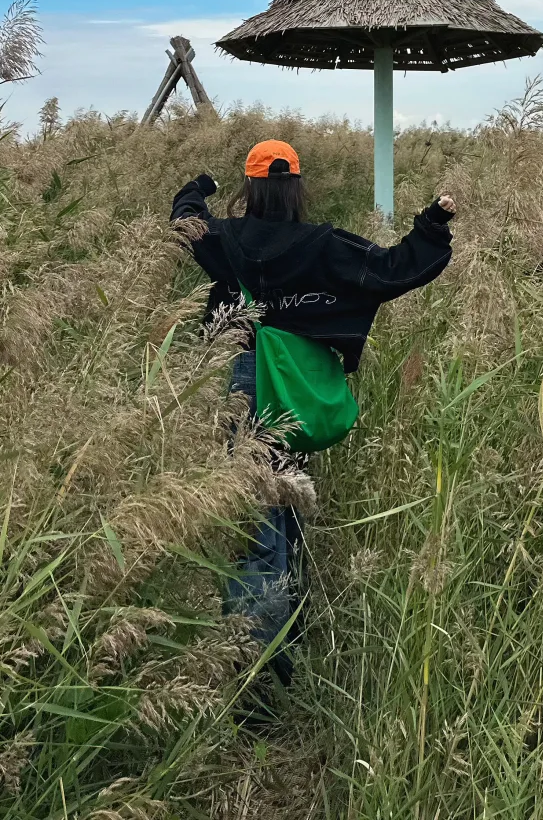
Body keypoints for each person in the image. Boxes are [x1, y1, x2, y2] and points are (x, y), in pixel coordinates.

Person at [171, 139, 456, 684]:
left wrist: (201, 186)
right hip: (294, 389)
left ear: (250, 186)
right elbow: (392, 269)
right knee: (287, 506)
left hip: (234, 382)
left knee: (253, 522)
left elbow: (185, 219)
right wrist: (432, 223)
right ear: (297, 187)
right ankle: (284, 656)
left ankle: (254, 674)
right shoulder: (321, 245)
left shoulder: (225, 239)